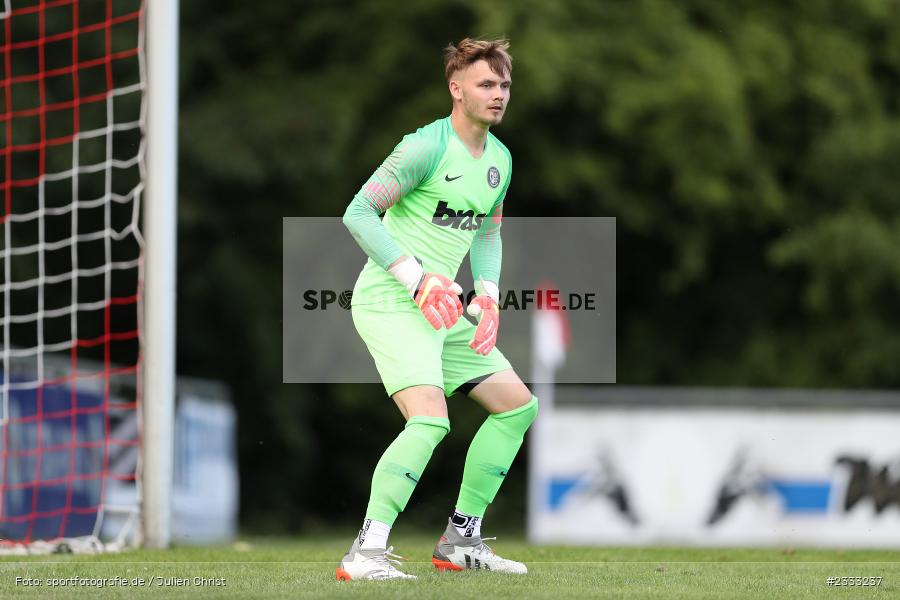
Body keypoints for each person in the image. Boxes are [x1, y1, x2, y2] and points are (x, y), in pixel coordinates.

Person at [338, 38, 537, 581]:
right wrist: (417, 277)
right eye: (486, 85)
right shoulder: (425, 146)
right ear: (457, 89)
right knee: (429, 421)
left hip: (445, 309)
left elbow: (489, 235)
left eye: (504, 86)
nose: (498, 96)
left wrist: (490, 296)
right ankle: (366, 553)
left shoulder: (500, 159)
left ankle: (460, 540)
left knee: (517, 407)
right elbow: (358, 213)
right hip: (392, 302)